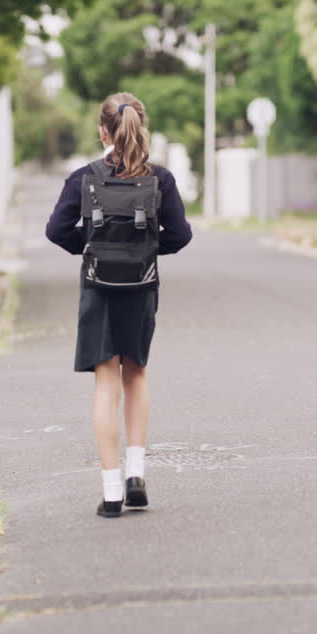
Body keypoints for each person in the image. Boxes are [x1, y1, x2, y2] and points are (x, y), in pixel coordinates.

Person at [45, 91, 194, 518]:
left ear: (102, 131)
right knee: (137, 375)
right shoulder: (159, 179)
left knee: (105, 383)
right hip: (142, 286)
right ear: (140, 127)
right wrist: (144, 249)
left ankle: (111, 492)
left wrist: (91, 249)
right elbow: (181, 235)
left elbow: (57, 230)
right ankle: (136, 474)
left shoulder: (84, 178)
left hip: (97, 287)